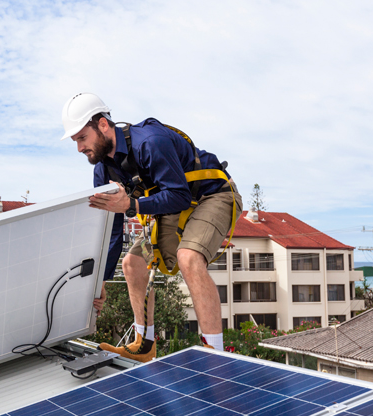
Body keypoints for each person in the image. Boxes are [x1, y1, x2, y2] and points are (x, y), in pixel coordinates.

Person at [60, 93, 242, 362]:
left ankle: (215, 356)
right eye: (75, 141)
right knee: (132, 264)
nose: (79, 148)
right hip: (173, 207)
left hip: (211, 195)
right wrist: (101, 281)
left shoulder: (150, 143)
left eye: (82, 138)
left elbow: (179, 195)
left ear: (102, 125)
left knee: (189, 258)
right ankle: (144, 345)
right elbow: (112, 229)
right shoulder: (103, 170)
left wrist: (132, 205)